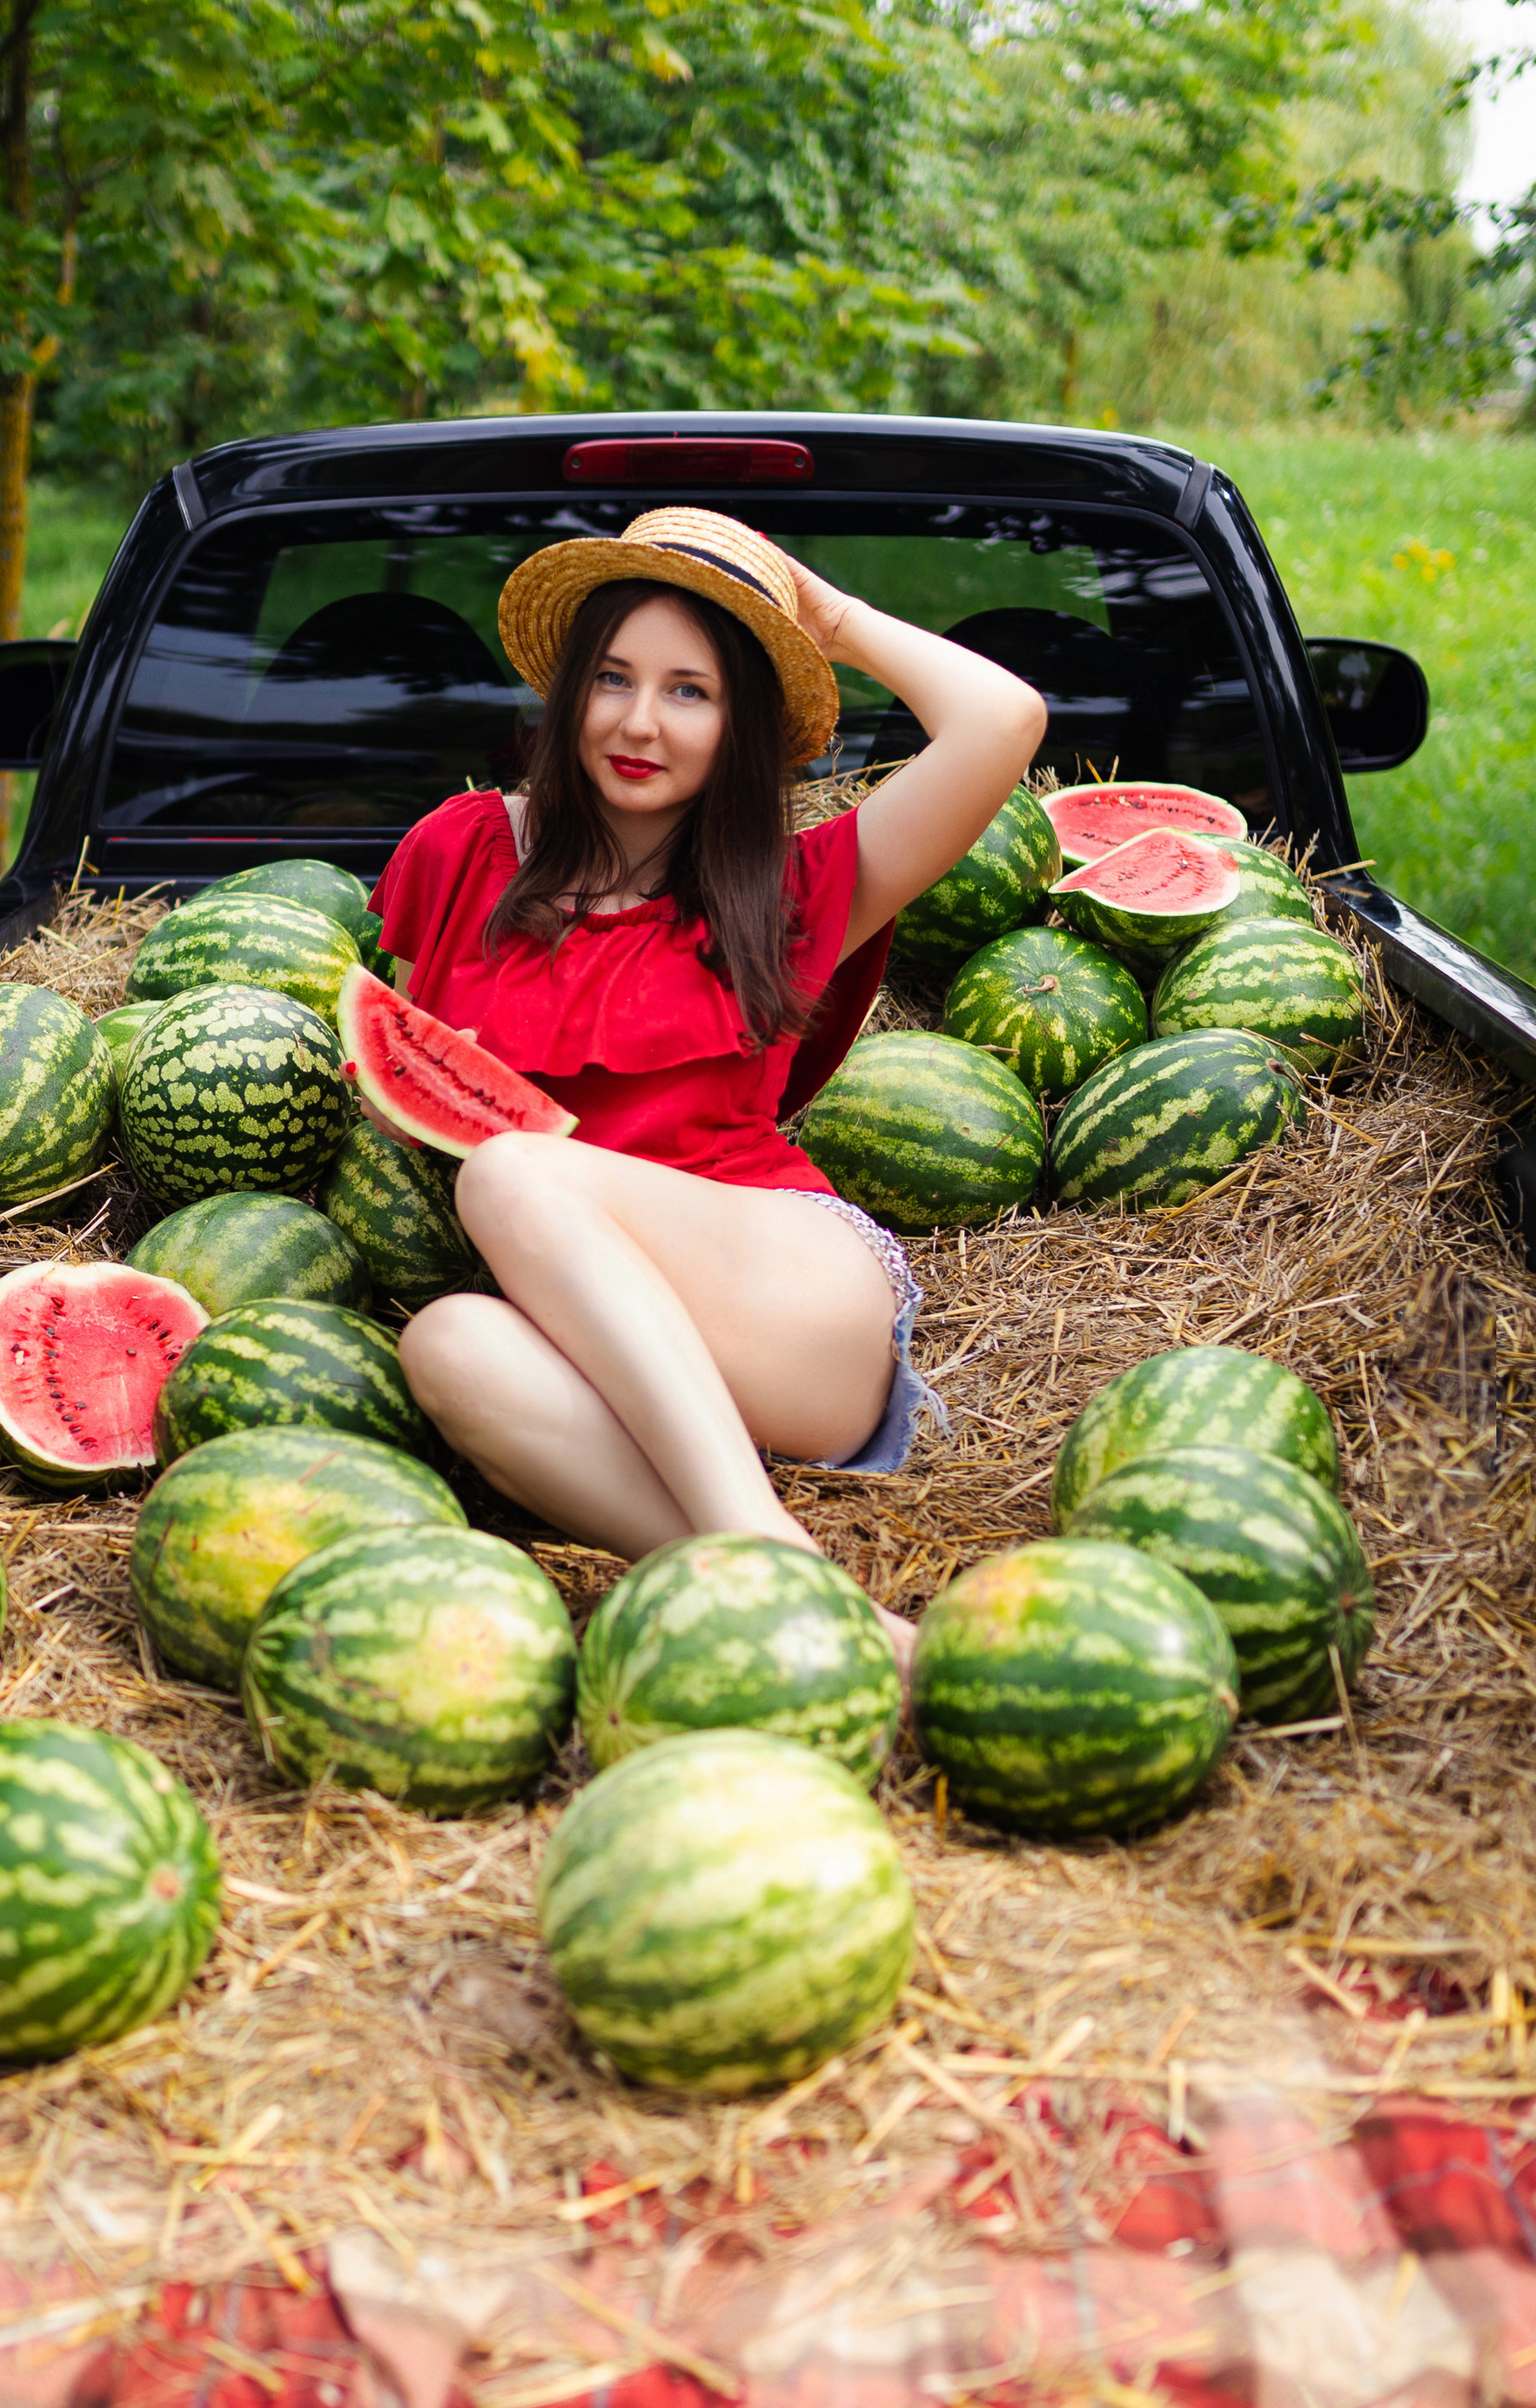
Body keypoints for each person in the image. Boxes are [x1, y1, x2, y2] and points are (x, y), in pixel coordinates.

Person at [368, 506, 1046, 1643]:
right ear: (570, 690)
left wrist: (825, 617)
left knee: (512, 1177)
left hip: (786, 1297)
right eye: (615, 679)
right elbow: (400, 1058)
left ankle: (763, 1538)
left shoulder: (797, 885)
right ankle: (823, 1611)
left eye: (692, 690)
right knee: (445, 1344)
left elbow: (1003, 719)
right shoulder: (458, 849)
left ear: (743, 726)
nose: (641, 722)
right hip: (579, 1336)